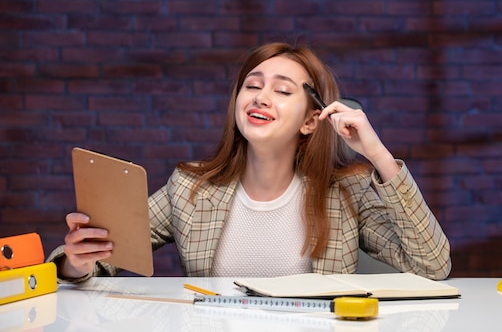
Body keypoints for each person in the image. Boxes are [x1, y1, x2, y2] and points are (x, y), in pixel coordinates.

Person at [48, 42, 451, 282]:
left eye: (282, 91)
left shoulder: (348, 191)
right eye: (252, 86)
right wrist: (76, 263)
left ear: (313, 119)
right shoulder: (189, 188)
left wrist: (379, 155)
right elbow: (101, 261)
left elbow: (432, 265)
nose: (260, 97)